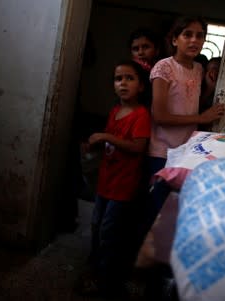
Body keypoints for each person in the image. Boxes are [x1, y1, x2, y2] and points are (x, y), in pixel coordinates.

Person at [78, 59, 151, 297]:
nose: (123, 83)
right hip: (105, 183)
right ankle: (96, 272)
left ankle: (108, 282)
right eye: (119, 79)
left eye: (129, 78)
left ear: (141, 86)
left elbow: (138, 147)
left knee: (111, 233)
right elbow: (109, 145)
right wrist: (92, 147)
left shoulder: (141, 115)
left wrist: (106, 136)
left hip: (123, 186)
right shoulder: (115, 111)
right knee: (97, 226)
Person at [145, 16, 225, 231]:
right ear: (174, 40)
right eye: (187, 34)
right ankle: (143, 261)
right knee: (156, 213)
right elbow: (160, 116)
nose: (194, 40)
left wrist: (209, 88)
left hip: (187, 153)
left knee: (174, 214)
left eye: (200, 36)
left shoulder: (199, 69)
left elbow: (191, 104)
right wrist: (202, 118)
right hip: (162, 153)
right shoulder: (164, 68)